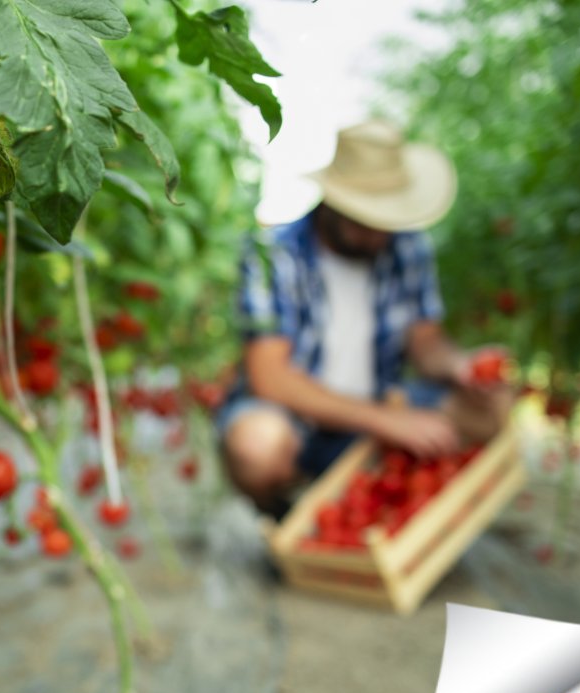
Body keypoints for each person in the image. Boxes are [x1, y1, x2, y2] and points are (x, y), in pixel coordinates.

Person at [216, 119, 512, 520]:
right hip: (300, 422)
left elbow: (426, 342)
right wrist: (388, 420)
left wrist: (459, 365)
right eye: (365, 220)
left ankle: (384, 500)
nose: (378, 234)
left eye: (386, 220)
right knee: (257, 445)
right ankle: (286, 511)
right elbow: (270, 376)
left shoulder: (408, 248)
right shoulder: (273, 254)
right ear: (333, 203)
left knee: (494, 406)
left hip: (379, 408)